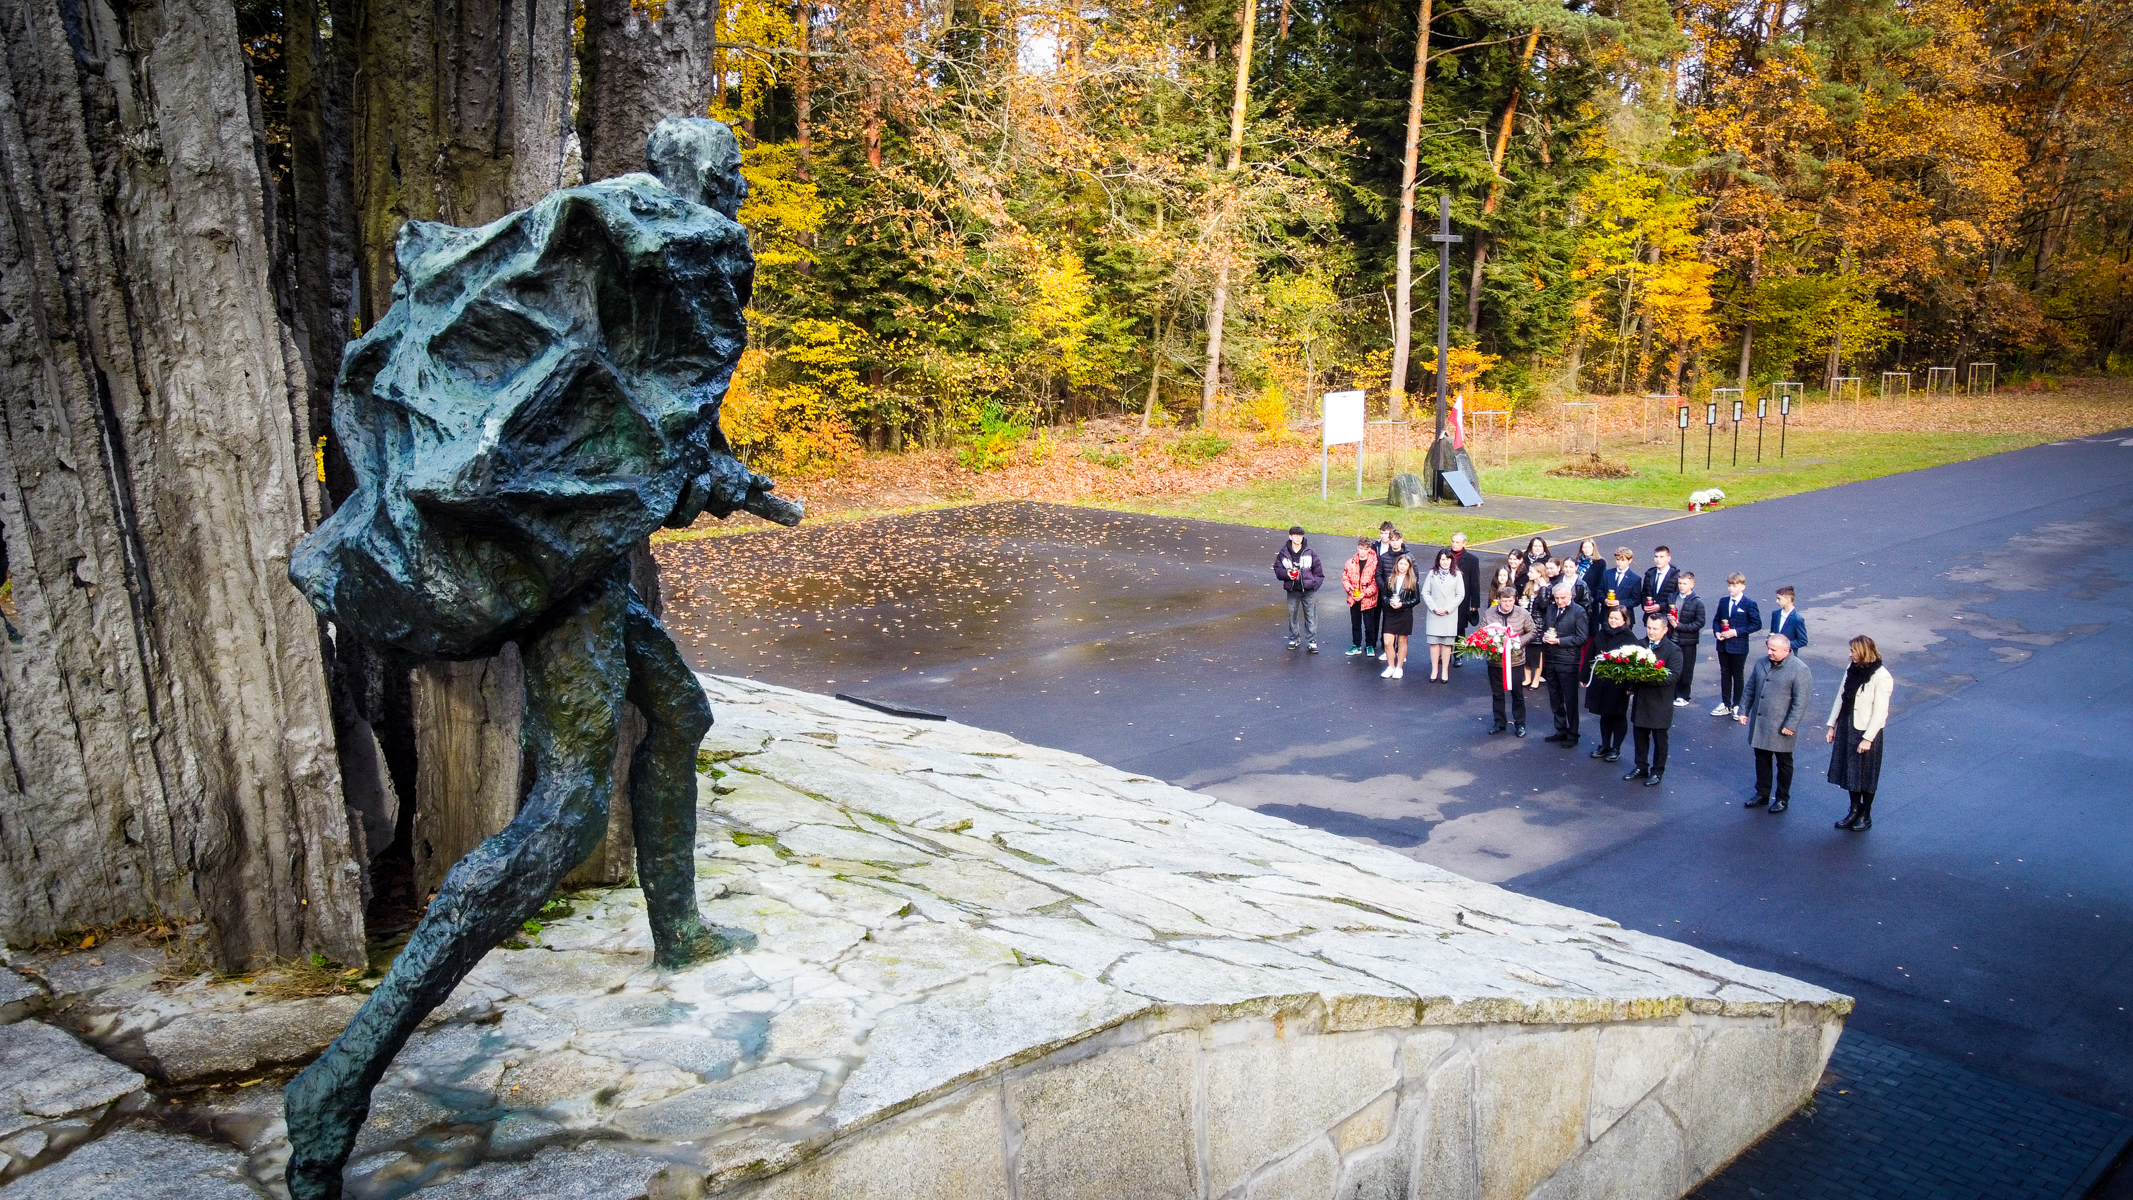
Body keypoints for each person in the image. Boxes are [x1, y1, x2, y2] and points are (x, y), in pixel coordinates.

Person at [1739, 632, 1815, 813]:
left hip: (1782, 726)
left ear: (1786, 650)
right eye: (1768, 648)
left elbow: (1801, 701)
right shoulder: (1761, 663)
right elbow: (1750, 688)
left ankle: (1782, 798)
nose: (1769, 652)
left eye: (1773, 649)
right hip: (1761, 723)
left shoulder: (1799, 670)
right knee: (1761, 760)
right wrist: (1743, 710)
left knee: (1784, 763)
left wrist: (1791, 725)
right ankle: (1762, 794)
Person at [1826, 635, 1893, 831]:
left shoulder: (1881, 676)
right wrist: (1832, 725)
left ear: (1863, 651)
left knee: (1867, 774)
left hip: (1866, 730)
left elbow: (1881, 712)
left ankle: (1866, 814)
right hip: (1848, 724)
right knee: (1851, 771)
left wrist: (1867, 738)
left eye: (1853, 651)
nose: (1850, 654)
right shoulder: (1851, 669)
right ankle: (1854, 810)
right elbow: (1841, 696)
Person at [1624, 610, 1685, 785]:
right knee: (1640, 736)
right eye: (1649, 627)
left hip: (1660, 702)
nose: (1651, 632)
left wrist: (1647, 677)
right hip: (1642, 700)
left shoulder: (1673, 650)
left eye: (1655, 629)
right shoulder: (1639, 644)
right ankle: (1641, 766)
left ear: (1665, 630)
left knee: (1659, 739)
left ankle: (1657, 771)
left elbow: (1672, 677)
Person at [1480, 587, 1538, 736]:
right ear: (1499, 599)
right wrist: (1491, 643)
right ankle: (1499, 722)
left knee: (1517, 694)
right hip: (1495, 662)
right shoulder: (1489, 613)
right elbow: (1482, 632)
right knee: (1497, 694)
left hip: (1516, 661)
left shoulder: (1523, 613)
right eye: (1504, 600)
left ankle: (1520, 724)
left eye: (1510, 601)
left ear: (1515, 600)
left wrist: (1519, 641)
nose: (1507, 604)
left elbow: (1532, 631)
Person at [1538, 582, 1588, 747]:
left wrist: (1558, 641)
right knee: (1555, 697)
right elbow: (1547, 627)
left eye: (1562, 598)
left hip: (1568, 661)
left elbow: (1581, 638)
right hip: (1551, 659)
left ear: (1570, 596)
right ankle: (1560, 729)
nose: (1559, 601)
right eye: (1557, 598)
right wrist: (1546, 637)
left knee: (1570, 699)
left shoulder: (1579, 612)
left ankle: (1573, 734)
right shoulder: (1551, 609)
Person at [1584, 606, 1636, 762]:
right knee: (1605, 715)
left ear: (1624, 620)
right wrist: (1585, 676)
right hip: (1601, 682)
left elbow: (1633, 665)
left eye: (1617, 618)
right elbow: (1590, 655)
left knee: (1618, 716)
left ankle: (1616, 748)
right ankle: (1605, 745)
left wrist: (1630, 686)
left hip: (1619, 684)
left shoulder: (1630, 638)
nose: (1613, 621)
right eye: (1611, 618)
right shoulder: (1601, 633)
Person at [1710, 572, 1761, 716]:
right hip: (1723, 645)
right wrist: (1717, 632)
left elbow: (1756, 624)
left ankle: (1737, 704)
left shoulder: (1749, 604)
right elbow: (1716, 620)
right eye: (1729, 585)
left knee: (1737, 675)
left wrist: (1736, 632)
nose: (1731, 588)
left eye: (1735, 585)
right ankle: (1725, 703)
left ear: (1742, 587)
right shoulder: (1723, 601)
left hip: (1739, 646)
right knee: (1725, 673)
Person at [1273, 526, 1324, 652]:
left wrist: (1313, 585)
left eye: (1300, 536)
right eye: (1295, 535)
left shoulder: (1310, 552)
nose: (1298, 538)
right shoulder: (1283, 552)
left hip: (1308, 590)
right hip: (1292, 590)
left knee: (1311, 616)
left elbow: (1319, 572)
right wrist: (1287, 575)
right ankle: (1294, 639)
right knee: (1292, 615)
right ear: (1290, 537)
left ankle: (1312, 641)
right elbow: (1278, 569)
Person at [1422, 548, 1465, 682]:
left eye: (1447, 559)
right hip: (1434, 613)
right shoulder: (1431, 573)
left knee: (1447, 644)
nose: (1445, 562)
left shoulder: (1457, 575)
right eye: (1442, 559)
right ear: (1438, 560)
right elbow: (1425, 592)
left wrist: (1447, 609)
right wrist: (1434, 608)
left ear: (1451, 560)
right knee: (1434, 643)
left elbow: (1460, 595)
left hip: (1449, 615)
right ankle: (1435, 669)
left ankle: (1445, 671)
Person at [1669, 570, 1707, 708]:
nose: (1681, 586)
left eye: (1685, 583)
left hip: (1688, 641)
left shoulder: (1697, 602)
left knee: (1686, 669)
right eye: (1679, 583)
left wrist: (1680, 626)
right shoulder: (1672, 597)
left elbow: (1699, 622)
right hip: (1672, 638)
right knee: (1672, 666)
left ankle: (1683, 695)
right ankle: (1672, 693)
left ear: (1692, 585)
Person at [1374, 530, 1413, 661]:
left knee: (1402, 632)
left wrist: (1406, 593)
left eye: (1397, 539)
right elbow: (1378, 574)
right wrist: (1385, 588)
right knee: (1388, 625)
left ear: (1402, 540)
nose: (1394, 542)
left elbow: (1415, 576)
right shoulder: (1384, 557)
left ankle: (1399, 652)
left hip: (1404, 600)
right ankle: (1388, 650)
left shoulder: (1409, 556)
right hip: (1389, 598)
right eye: (1392, 539)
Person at [1379, 553, 1420, 678]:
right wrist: (1389, 602)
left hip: (1404, 614)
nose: (1402, 566)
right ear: (1397, 565)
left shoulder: (1412, 581)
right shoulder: (1390, 579)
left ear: (1409, 566)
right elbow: (1384, 596)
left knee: (1402, 641)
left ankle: (1399, 667)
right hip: (1391, 613)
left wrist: (1402, 604)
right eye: (1400, 563)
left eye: (1405, 564)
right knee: (1388, 641)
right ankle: (1390, 666)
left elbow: (1416, 599)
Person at [1341, 537, 1381, 658]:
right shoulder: (1350, 562)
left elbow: (1375, 582)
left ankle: (1370, 645)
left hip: (1368, 599)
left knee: (1369, 624)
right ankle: (1356, 645)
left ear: (1369, 549)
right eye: (1361, 548)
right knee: (1355, 623)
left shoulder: (1374, 564)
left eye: (1366, 549)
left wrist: (1365, 593)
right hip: (1354, 598)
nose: (1363, 551)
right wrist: (1351, 591)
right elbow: (1345, 578)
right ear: (1358, 547)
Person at [1446, 532, 1483, 659]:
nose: (1454, 544)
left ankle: (1458, 655)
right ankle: (1444, 655)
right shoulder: (1445, 555)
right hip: (1446, 597)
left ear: (1464, 544)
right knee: (1445, 627)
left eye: (1457, 542)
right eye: (1453, 541)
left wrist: (1475, 603)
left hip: (1462, 599)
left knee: (1459, 627)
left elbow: (1475, 582)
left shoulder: (1472, 560)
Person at [1642, 545, 1681, 623]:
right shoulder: (1649, 574)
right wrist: (1645, 606)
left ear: (1668, 559)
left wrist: (1660, 606)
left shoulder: (1676, 577)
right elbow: (1644, 593)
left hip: (1667, 619)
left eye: (1661, 557)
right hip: (1650, 617)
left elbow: (1677, 598)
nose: (1658, 560)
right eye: (1656, 557)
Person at [1601, 547, 1644, 613]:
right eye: (1618, 560)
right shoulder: (1606, 574)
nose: (1619, 562)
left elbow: (1636, 600)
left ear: (1629, 560)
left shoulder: (1635, 579)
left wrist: (1619, 602)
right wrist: (1604, 600)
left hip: (1625, 615)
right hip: (1606, 613)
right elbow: (1599, 591)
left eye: (1623, 560)